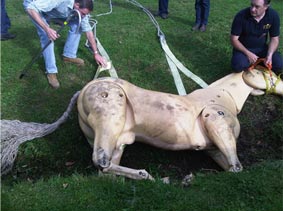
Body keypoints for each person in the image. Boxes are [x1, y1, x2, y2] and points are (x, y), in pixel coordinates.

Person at [23, 0, 106, 89]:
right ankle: (51, 72)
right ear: (77, 5)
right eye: (83, 13)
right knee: (47, 37)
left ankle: (68, 55)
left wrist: (96, 53)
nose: (84, 16)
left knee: (77, 23)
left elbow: (89, 32)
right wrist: (47, 29)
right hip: (34, 7)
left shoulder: (81, 10)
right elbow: (30, 8)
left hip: (52, 10)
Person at [230, 0, 282, 74]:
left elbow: (275, 38)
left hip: (262, 48)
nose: (252, 9)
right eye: (252, 5)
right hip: (244, 49)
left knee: (279, 64)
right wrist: (248, 53)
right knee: (238, 65)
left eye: (257, 7)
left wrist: (269, 55)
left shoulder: (273, 16)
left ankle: (259, 62)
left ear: (266, 7)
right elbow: (234, 39)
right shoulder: (241, 16)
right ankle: (254, 63)